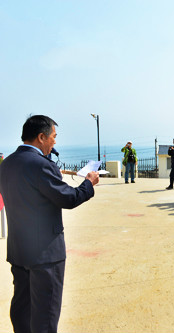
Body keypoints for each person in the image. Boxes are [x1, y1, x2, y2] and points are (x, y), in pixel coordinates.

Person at [0, 115, 99, 333]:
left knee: (22, 311)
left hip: (19, 252)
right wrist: (89, 183)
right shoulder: (41, 165)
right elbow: (68, 198)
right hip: (45, 256)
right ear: (41, 137)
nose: (55, 142)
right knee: (45, 318)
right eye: (53, 137)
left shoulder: (7, 164)